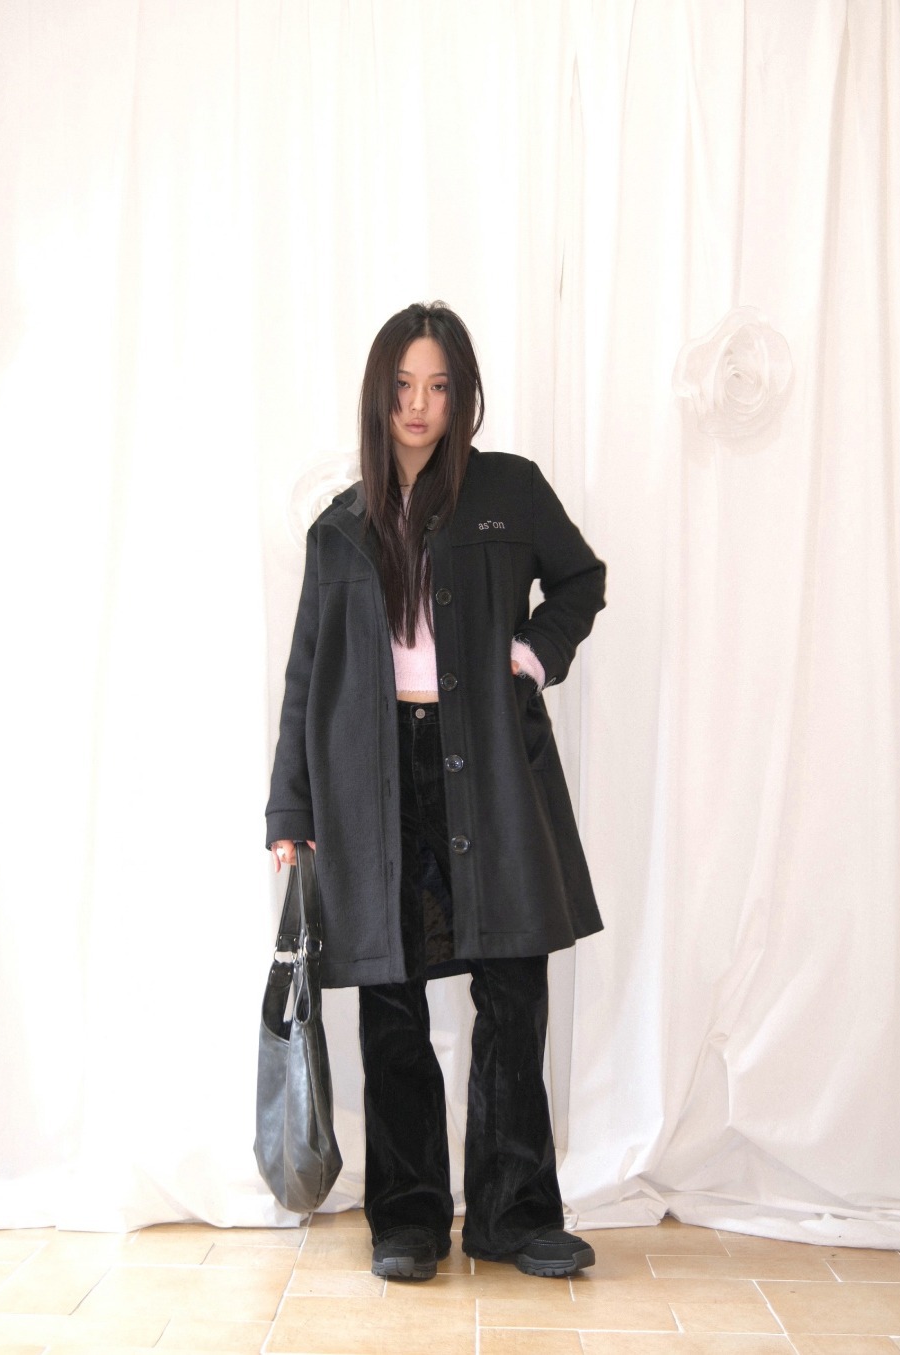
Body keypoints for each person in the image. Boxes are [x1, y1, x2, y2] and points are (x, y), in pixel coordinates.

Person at [266, 301, 606, 1281]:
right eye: (404, 386)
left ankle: (513, 1213)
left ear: (462, 396)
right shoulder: (340, 527)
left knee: (513, 985)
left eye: (439, 386)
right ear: (380, 395)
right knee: (392, 996)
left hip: (490, 762)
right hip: (374, 779)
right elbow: (307, 673)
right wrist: (290, 809)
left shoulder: (509, 490)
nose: (419, 405)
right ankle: (409, 1217)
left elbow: (579, 579)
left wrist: (530, 655)